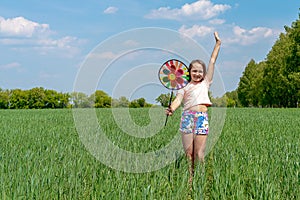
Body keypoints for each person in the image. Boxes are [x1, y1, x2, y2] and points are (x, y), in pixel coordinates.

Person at [165, 31, 221, 183]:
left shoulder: (206, 82)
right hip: (187, 118)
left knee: (199, 153)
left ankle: (200, 179)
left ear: (204, 74)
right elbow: (178, 99)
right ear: (189, 72)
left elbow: (212, 61)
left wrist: (217, 44)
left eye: (200, 71)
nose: (197, 73)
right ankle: (190, 179)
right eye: (194, 71)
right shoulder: (184, 86)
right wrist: (172, 108)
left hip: (202, 118)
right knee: (189, 154)